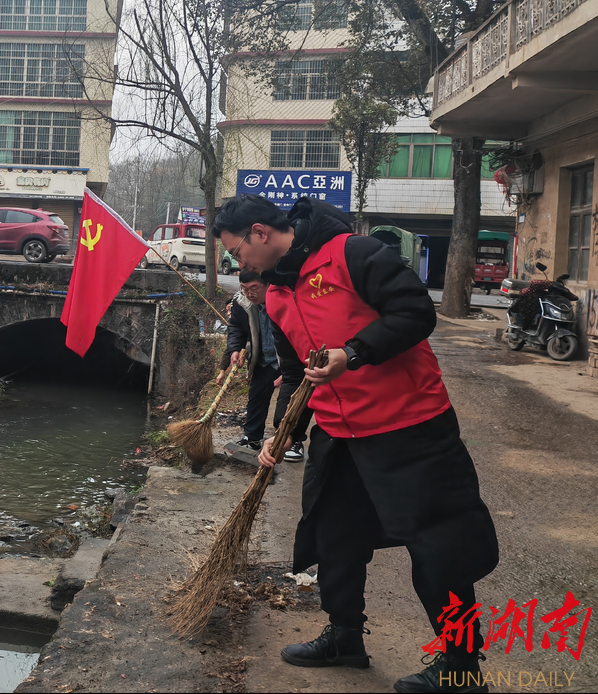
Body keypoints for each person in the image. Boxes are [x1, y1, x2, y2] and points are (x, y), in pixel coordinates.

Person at [212, 194, 499, 694]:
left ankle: (460, 667)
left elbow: (415, 312)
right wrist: (284, 435)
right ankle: (344, 637)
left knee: (438, 548)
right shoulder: (277, 293)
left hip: (410, 425)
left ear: (260, 233)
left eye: (237, 252)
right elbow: (294, 374)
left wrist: (355, 352)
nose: (240, 263)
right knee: (335, 537)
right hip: (338, 432)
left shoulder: (354, 254)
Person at [216, 268, 307, 462]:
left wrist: (296, 366)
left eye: (254, 288)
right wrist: (234, 350)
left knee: (292, 402)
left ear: (267, 285)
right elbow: (236, 328)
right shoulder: (241, 302)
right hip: (263, 358)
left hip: (289, 361)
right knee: (256, 397)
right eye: (245, 288)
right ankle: (252, 438)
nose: (250, 293)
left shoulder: (287, 299)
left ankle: (295, 440)